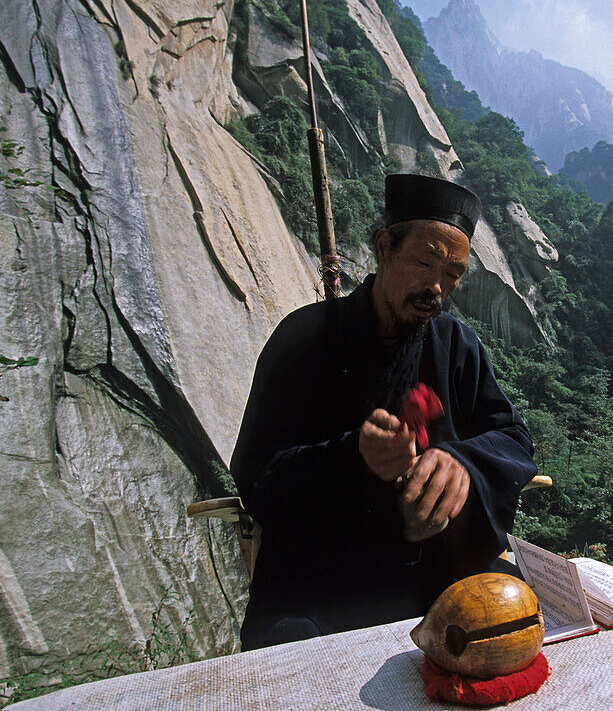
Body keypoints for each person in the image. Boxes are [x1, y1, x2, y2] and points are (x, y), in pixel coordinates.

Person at [230, 173, 538, 650]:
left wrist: (462, 463)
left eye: (453, 275)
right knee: (288, 658)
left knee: (512, 624)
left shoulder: (456, 347)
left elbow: (514, 441)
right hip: (317, 579)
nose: (437, 287)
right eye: (424, 262)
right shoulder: (303, 338)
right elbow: (256, 472)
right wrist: (354, 458)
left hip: (434, 572)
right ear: (384, 246)